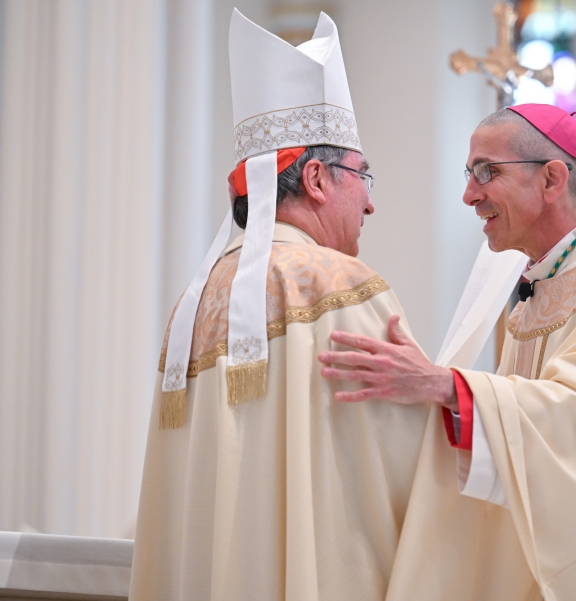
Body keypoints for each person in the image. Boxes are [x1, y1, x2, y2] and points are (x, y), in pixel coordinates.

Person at [319, 104, 576, 600]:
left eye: (485, 172)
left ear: (552, 179)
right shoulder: (543, 290)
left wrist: (446, 385)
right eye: (469, 174)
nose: (469, 195)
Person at [129, 11, 432, 600]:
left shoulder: (195, 304)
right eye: (362, 175)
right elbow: (408, 466)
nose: (370, 203)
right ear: (316, 179)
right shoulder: (340, 285)